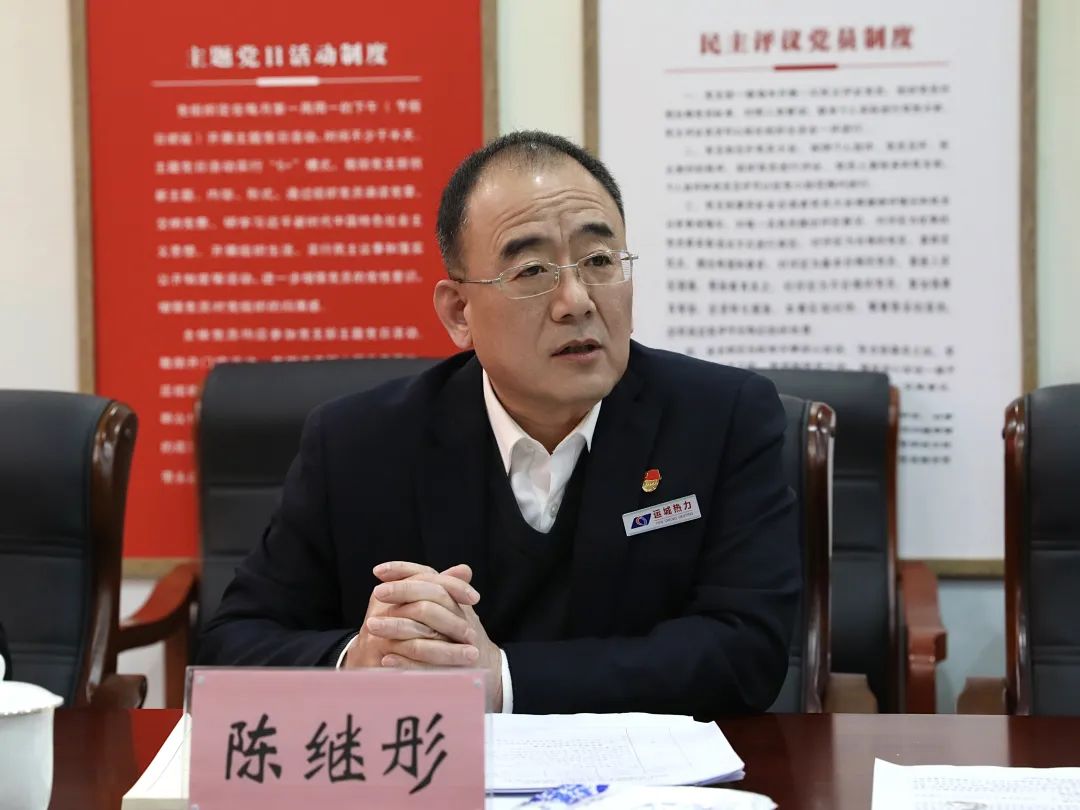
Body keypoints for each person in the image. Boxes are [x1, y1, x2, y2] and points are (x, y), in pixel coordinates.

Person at [199, 131, 800, 717]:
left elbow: (749, 651)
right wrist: (356, 661)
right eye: (532, 271)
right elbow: (232, 644)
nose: (577, 300)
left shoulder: (722, 417)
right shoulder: (358, 444)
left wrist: (504, 681)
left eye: (599, 260)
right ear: (459, 312)